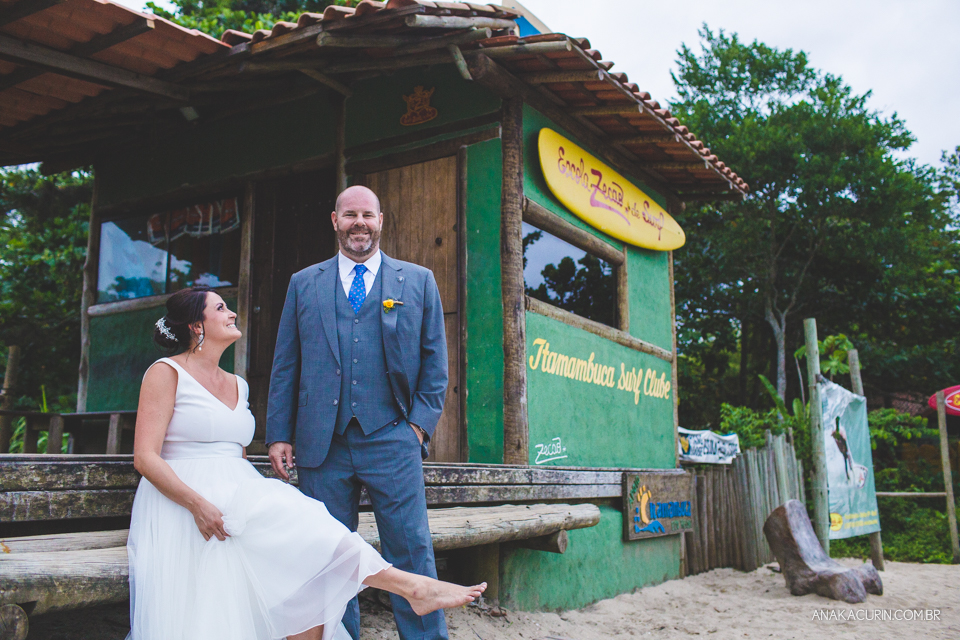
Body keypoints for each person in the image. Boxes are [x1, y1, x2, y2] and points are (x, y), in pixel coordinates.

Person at [127, 285, 484, 640]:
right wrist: (197, 504)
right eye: (220, 308)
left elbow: (235, 455)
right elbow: (145, 457)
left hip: (234, 491)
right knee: (304, 541)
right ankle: (412, 588)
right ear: (196, 326)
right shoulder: (166, 372)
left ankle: (412, 588)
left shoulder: (237, 383)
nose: (232, 313)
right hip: (184, 499)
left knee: (307, 559)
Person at [267, 185, 449, 640]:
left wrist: (417, 428)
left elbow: (436, 364)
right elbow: (286, 363)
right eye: (350, 215)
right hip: (321, 442)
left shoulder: (418, 281)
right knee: (328, 554)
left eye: (368, 214)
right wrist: (279, 434)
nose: (359, 223)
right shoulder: (303, 283)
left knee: (410, 549)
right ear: (335, 221)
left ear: (381, 220)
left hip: (393, 437)